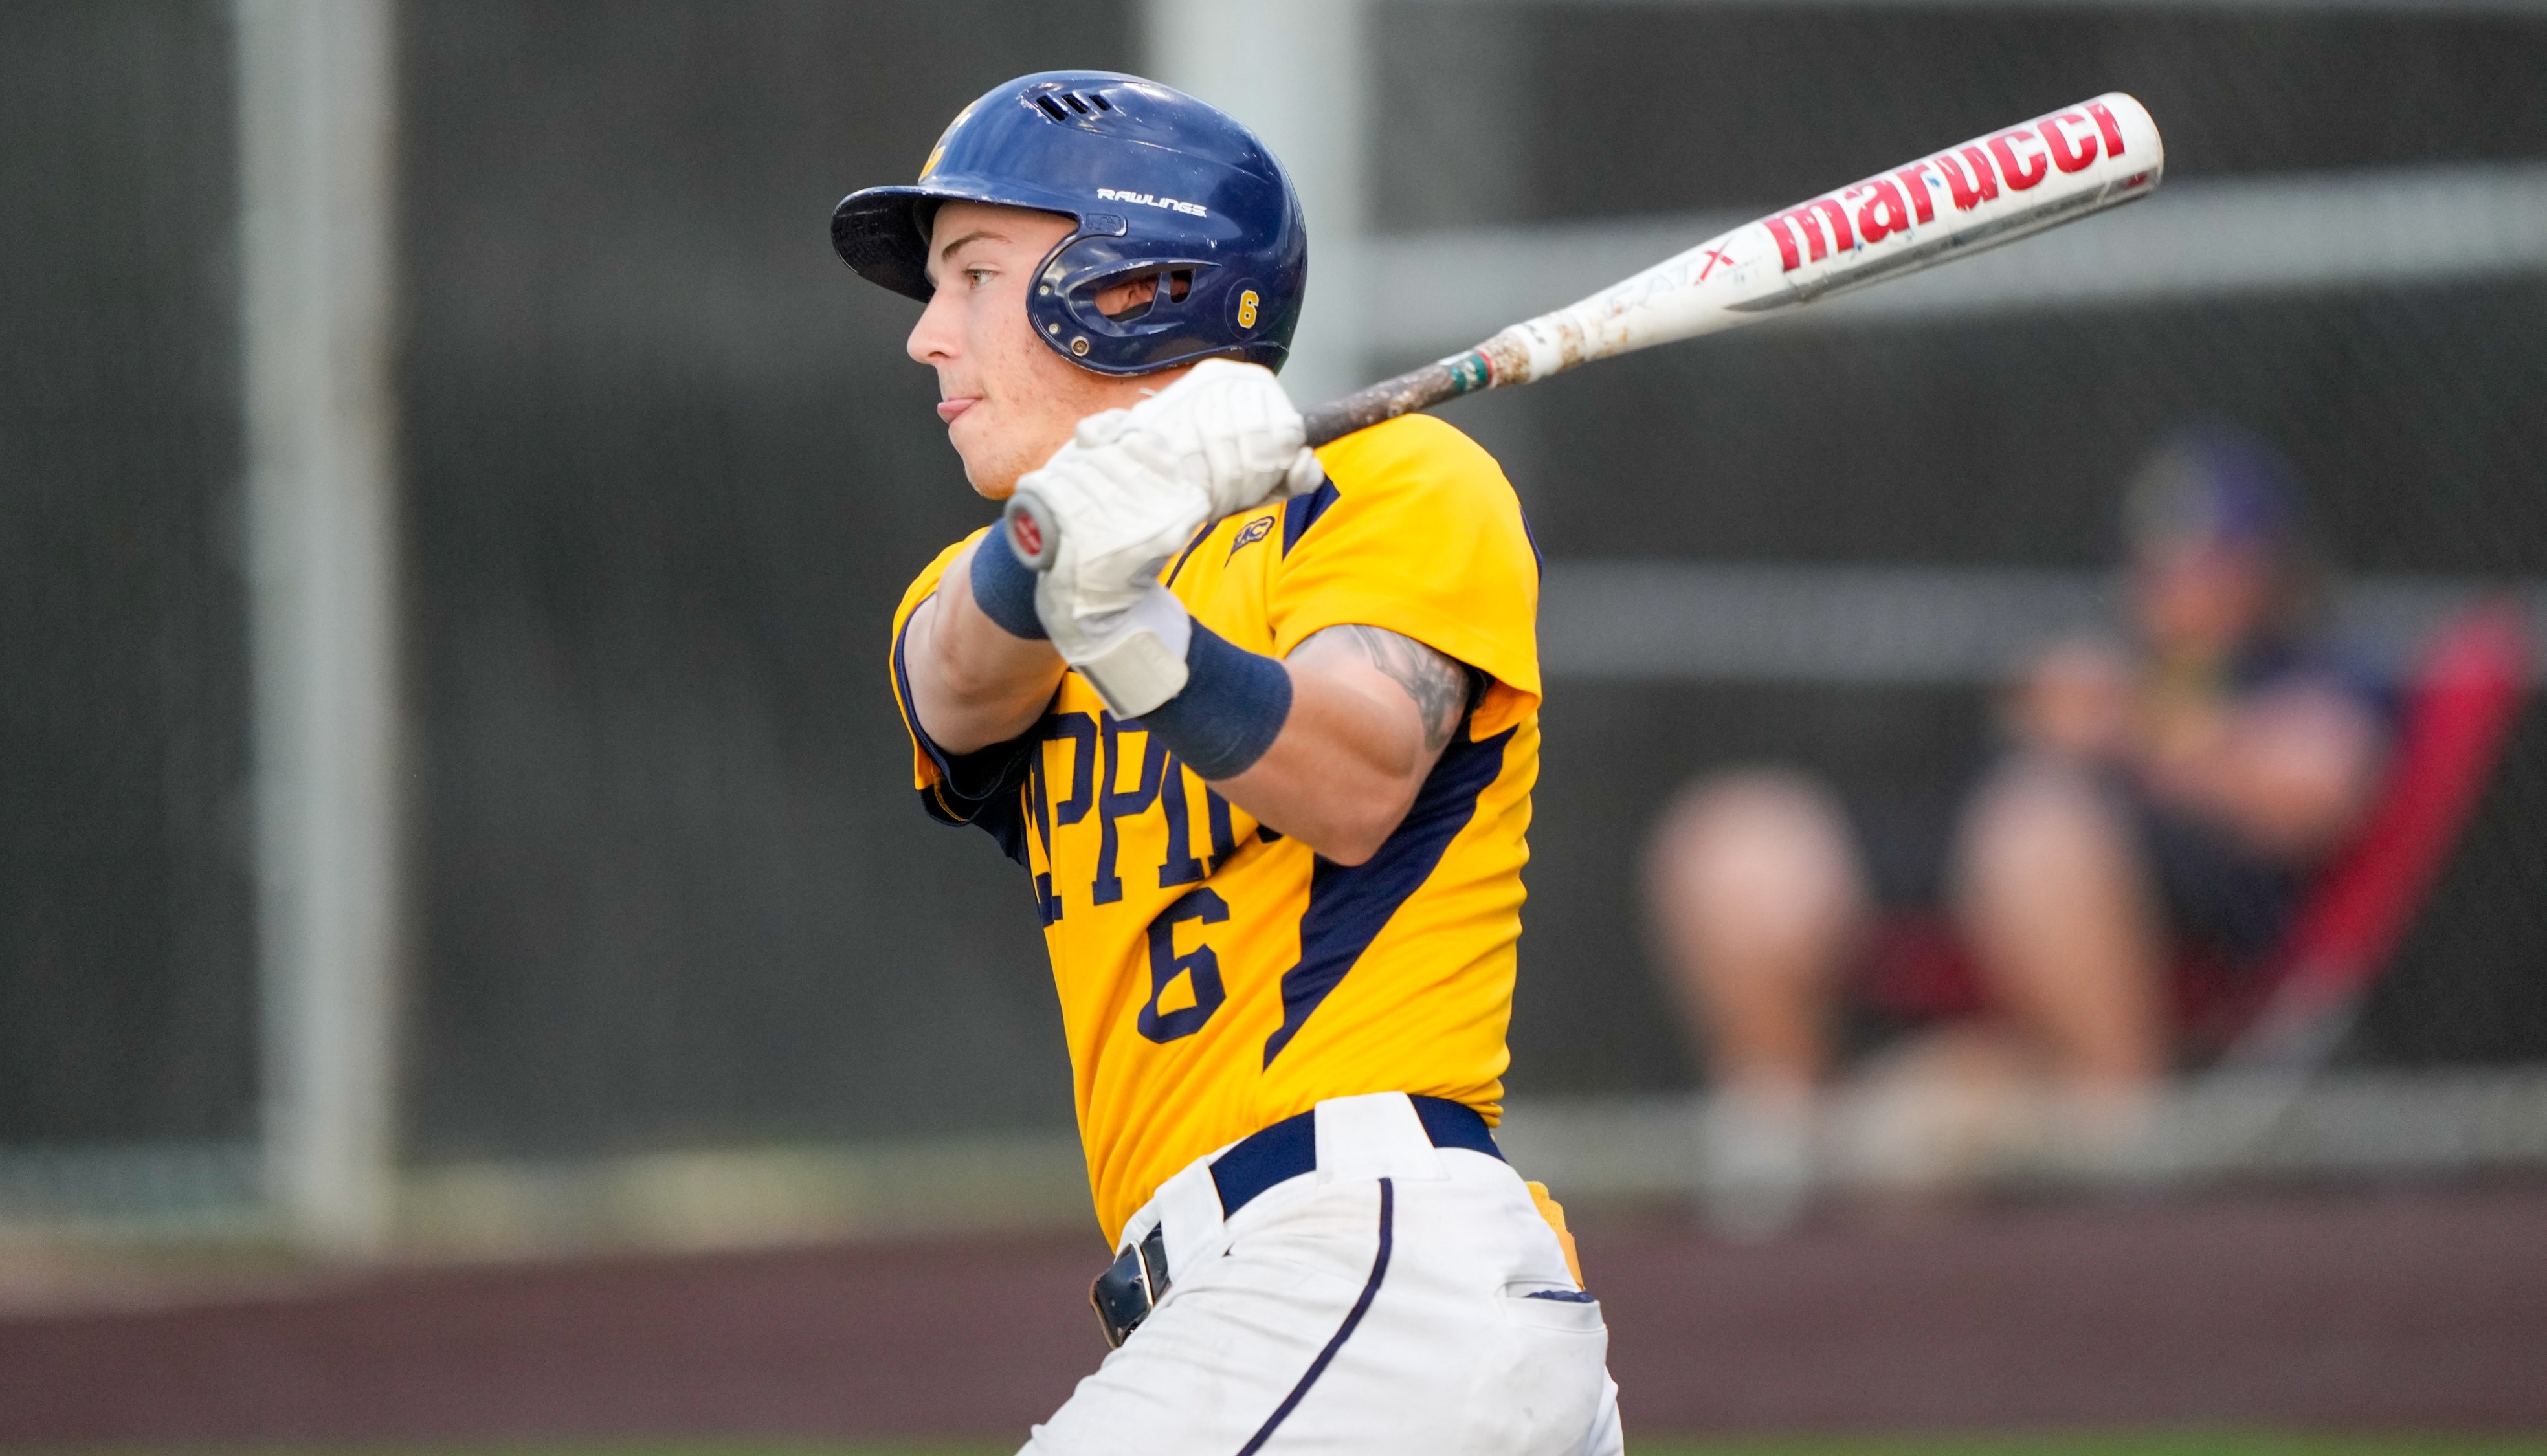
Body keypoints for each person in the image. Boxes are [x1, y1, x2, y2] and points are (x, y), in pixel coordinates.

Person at [835, 72, 1619, 1455]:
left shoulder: (1392, 486)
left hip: (1369, 1264)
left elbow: (1354, 774)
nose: (927, 339)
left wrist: (1133, 629)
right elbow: (958, 680)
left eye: (971, 277)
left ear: (1131, 283)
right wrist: (1066, 544)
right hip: (1260, 1309)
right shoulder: (974, 590)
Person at [1641, 428, 2390, 1233]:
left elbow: (2317, 785)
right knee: (1735, 837)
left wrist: (2137, 728)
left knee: (2034, 832)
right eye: (2158, 560)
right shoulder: (2099, 662)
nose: (2178, 584)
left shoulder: (2312, 669)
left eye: (2213, 558)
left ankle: (2119, 1136)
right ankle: (1774, 1141)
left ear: (2271, 567)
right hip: (1968, 923)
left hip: (2174, 949)